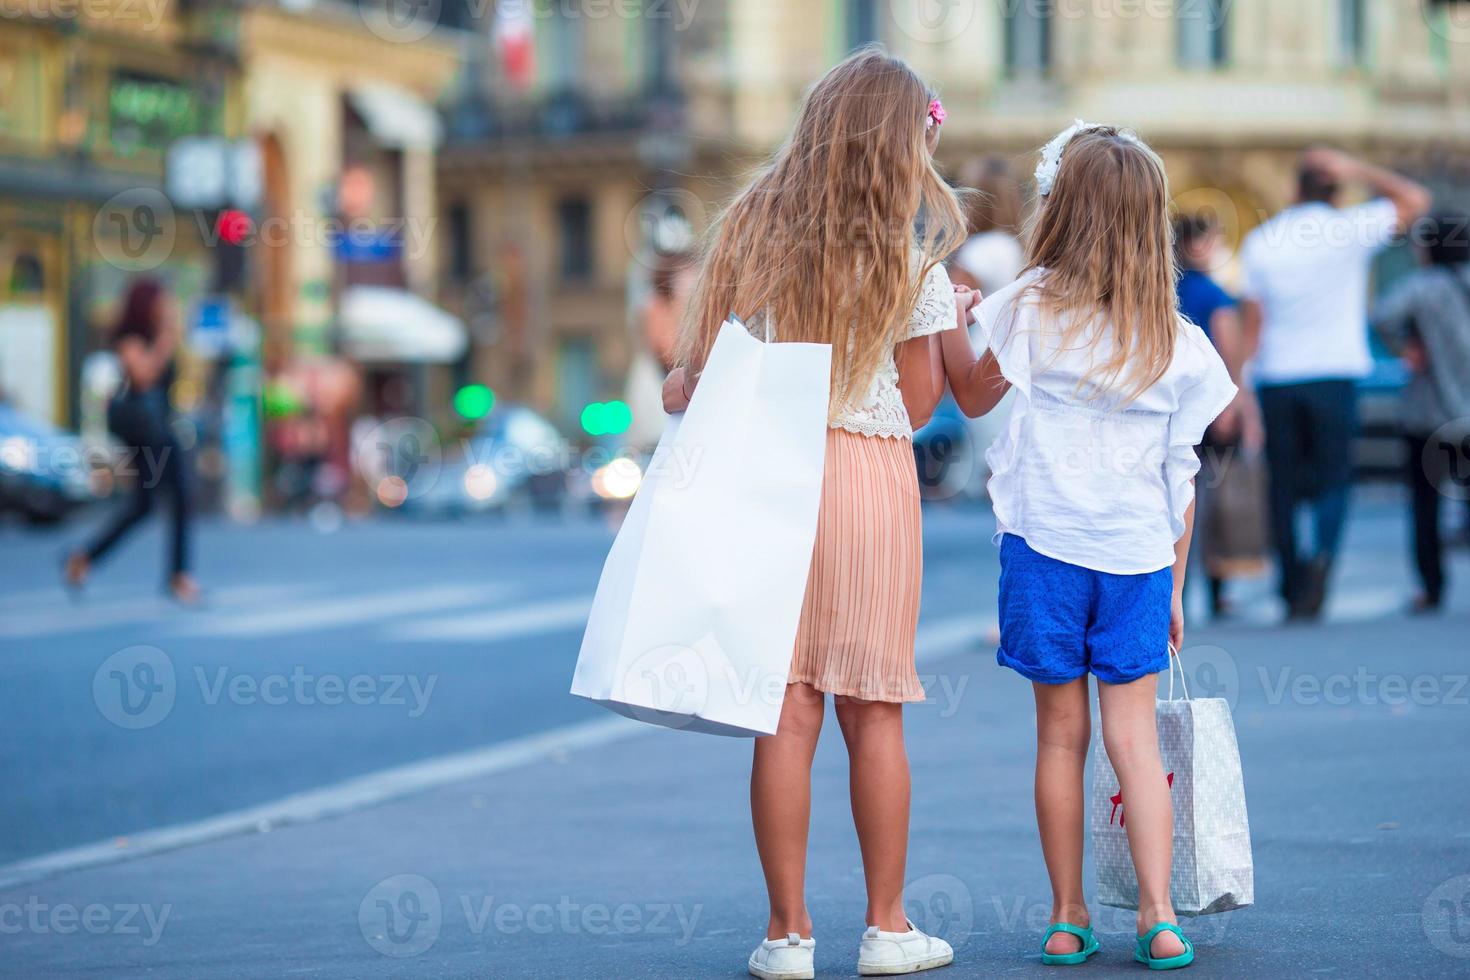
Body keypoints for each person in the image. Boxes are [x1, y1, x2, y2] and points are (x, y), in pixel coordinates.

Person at [661, 48, 965, 980]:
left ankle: (787, 937)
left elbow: (688, 385)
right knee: (875, 713)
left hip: (773, 482)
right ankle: (887, 927)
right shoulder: (913, 260)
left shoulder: (750, 231)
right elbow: (917, 408)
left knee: (784, 713)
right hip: (871, 485)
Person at [939, 123, 1236, 970]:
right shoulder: (1176, 338)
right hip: (1139, 557)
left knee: (1060, 740)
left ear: (1060, 210)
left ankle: (1069, 914)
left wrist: (959, 324)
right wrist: (1176, 587)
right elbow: (1182, 479)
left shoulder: (1027, 306)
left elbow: (968, 393)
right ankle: (1158, 912)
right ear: (1153, 221)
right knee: (1134, 743)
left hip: (1043, 547)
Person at [1239, 148, 1431, 620]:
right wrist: (1359, 167)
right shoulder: (1350, 229)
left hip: (1278, 377)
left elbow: (1252, 325)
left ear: (1294, 190)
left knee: (1281, 485)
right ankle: (1322, 558)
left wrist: (1241, 388)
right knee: (1333, 479)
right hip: (1335, 373)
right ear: (1336, 189)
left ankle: (1289, 583)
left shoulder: (1262, 240)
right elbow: (1416, 199)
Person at [65, 279, 199, 604]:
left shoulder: (156, 336)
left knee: (144, 506)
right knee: (178, 494)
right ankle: (178, 577)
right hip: (146, 430)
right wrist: (166, 340)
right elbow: (143, 376)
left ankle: (83, 559)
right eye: (160, 303)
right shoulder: (132, 339)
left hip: (159, 426)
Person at [1371, 211, 1470, 613]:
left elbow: (1382, 314)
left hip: (1431, 413)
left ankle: (1432, 587)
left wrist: (1405, 348)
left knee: (1425, 504)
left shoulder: (1422, 286)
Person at [1174, 213, 1263, 617]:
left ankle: (1178, 587)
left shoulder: (1164, 290)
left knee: (1174, 496)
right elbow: (1231, 352)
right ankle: (1217, 588)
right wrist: (1238, 403)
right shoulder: (1214, 294)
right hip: (1210, 407)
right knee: (1214, 501)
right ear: (1196, 245)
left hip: (1172, 408)